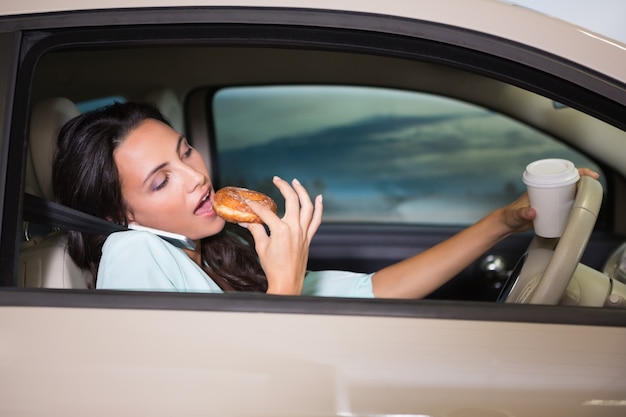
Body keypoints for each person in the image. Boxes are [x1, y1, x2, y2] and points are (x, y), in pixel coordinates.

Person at [52, 101, 599, 298]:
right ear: (118, 216)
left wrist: (502, 222)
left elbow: (372, 292)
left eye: (186, 150)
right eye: (160, 180)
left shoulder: (209, 248)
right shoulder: (133, 255)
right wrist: (286, 281)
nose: (196, 176)